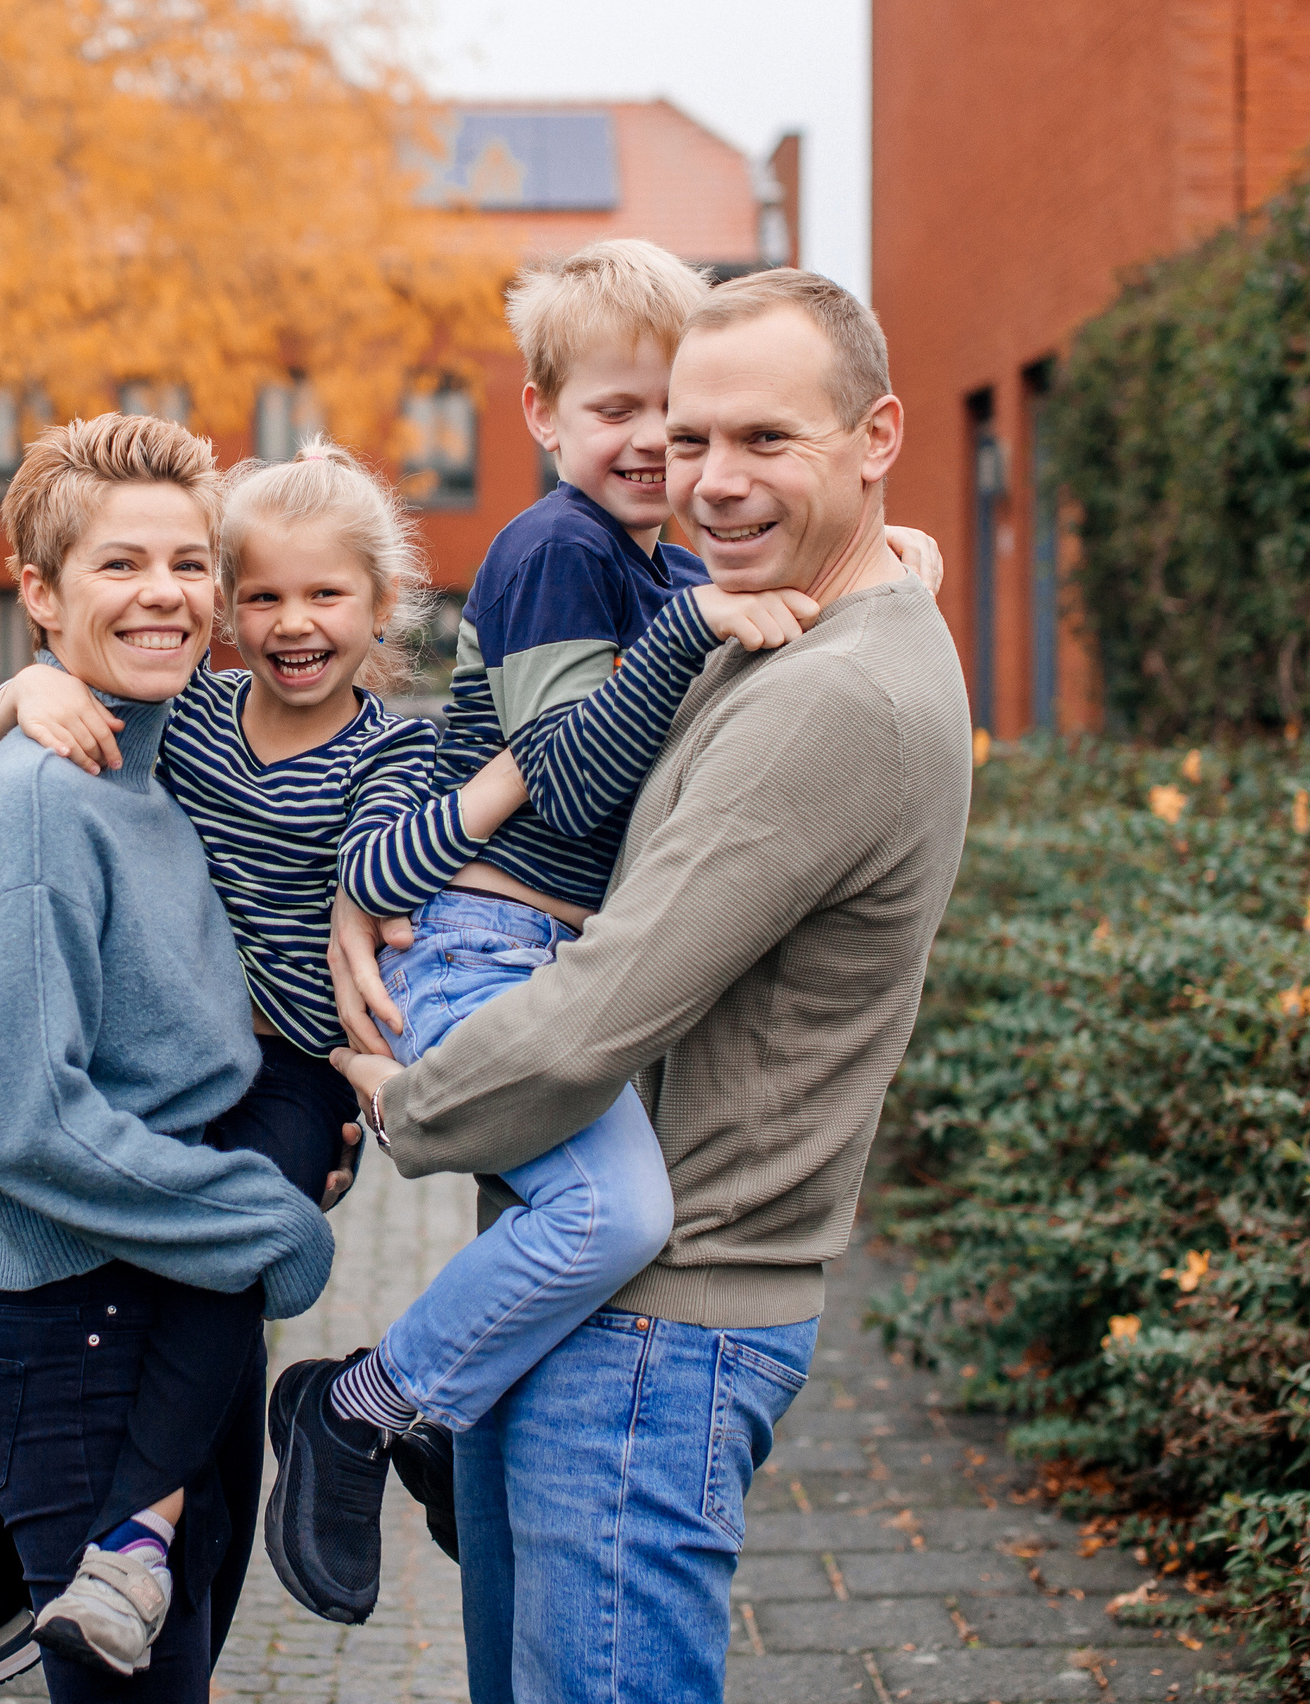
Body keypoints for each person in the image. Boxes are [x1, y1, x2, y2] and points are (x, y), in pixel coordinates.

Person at [327, 269, 974, 1703]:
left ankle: (357, 1411)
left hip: (656, 1337)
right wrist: (367, 885)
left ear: (878, 436)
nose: (712, 481)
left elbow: (599, 1011)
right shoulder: (792, 620)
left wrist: (401, 1097)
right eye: (692, 439)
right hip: (594, 1302)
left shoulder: (831, 698)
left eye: (766, 439)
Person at [0, 438, 534, 1665]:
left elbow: (387, 868)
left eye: (325, 594)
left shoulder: (394, 750)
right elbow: (88, 729)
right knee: (0, 1294)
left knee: (229, 1255)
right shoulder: (202, 716)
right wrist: (15, 698)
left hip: (299, 1069)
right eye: (262, 594)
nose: (292, 622)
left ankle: (142, 1527)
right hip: (193, 1059)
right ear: (230, 607)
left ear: (382, 604)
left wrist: (500, 783)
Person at [0, 412, 338, 1704]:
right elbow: (22, 1121)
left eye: (189, 562)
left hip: (178, 1323)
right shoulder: (40, 809)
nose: (165, 592)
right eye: (120, 564)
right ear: (39, 595)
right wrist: (264, 1216)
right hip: (87, 1347)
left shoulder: (154, 770)